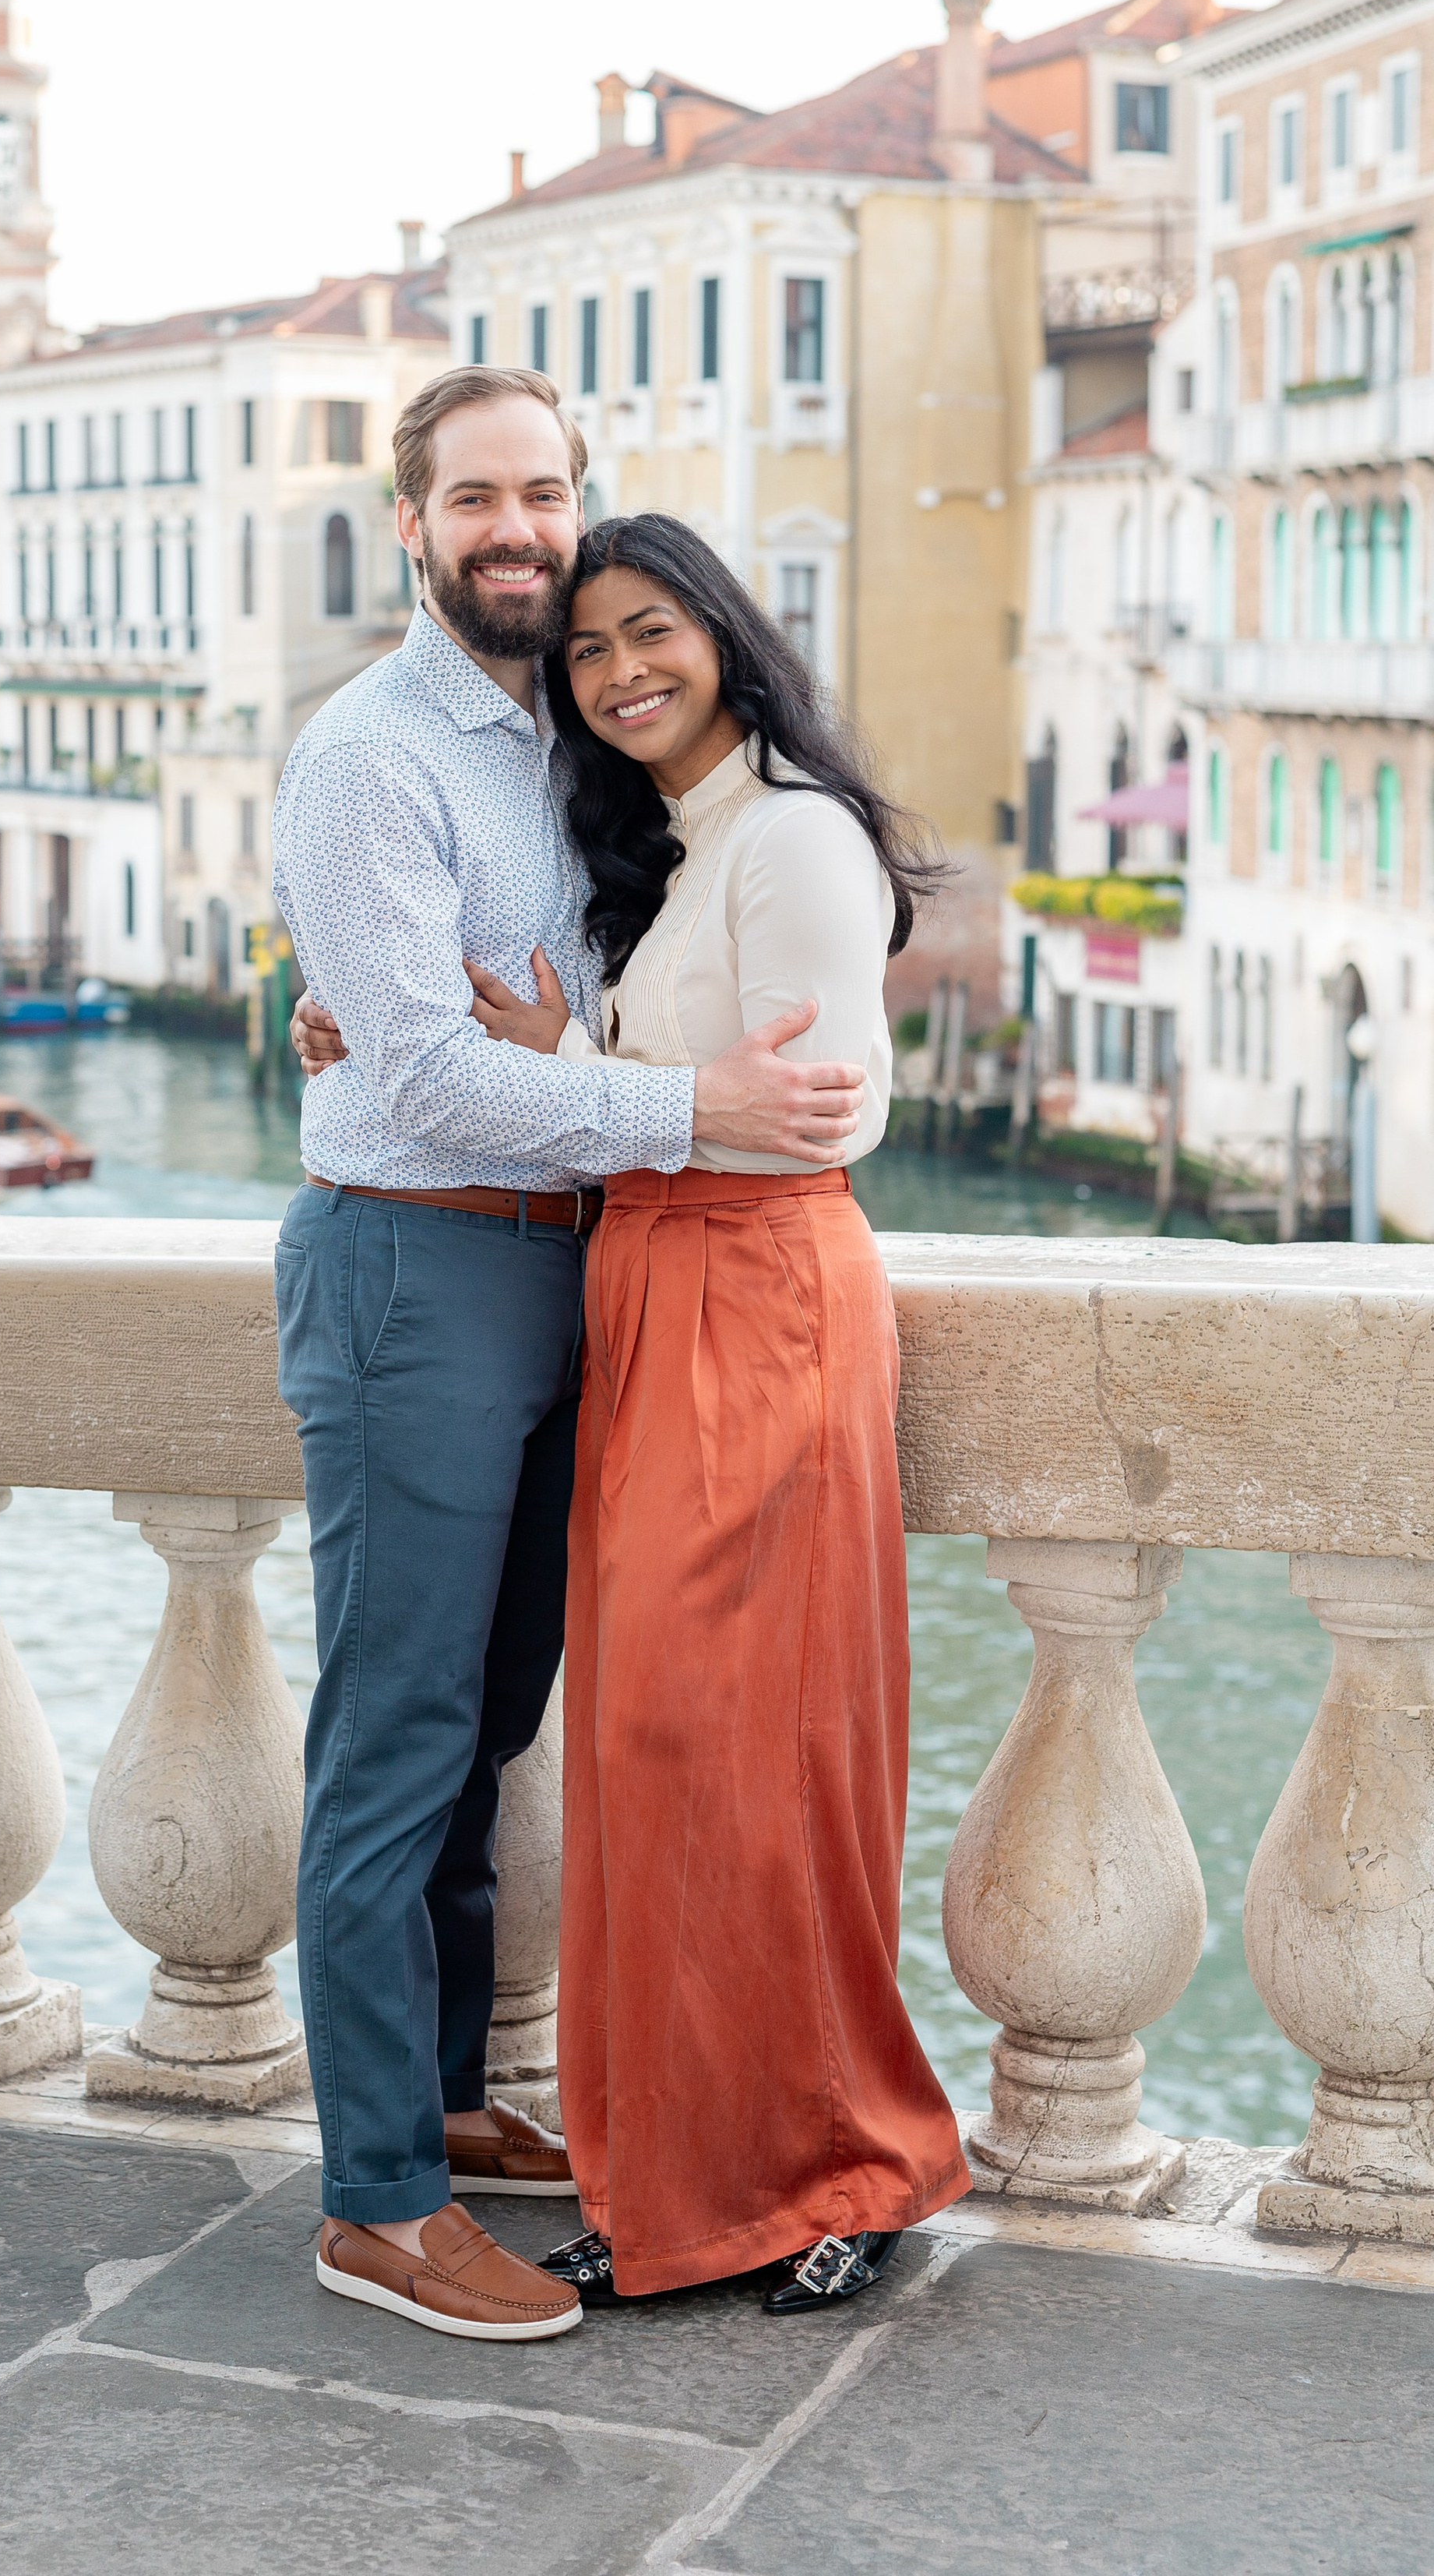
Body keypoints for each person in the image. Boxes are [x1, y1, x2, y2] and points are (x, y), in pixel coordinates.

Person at [271, 369, 867, 2345]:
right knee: (393, 1739)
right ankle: (375, 2199)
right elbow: (428, 1061)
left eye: (544, 494)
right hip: (413, 1273)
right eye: (476, 501)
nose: (517, 531)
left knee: (480, 1727)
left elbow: (531, 1010)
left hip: (562, 1281)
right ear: (412, 521)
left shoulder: (565, 737)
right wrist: (673, 1101)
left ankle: (438, 2101)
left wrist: (574, 1074)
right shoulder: (368, 753)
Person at [461, 511, 974, 2314]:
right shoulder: (686, 857)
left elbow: (810, 1122)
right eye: (587, 651)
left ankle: (849, 2163)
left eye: (648, 630)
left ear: (724, 637)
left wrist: (571, 1078)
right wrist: (598, 1083)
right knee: (646, 1757)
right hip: (657, 1291)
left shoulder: (799, 838)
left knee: (752, 1754)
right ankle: (678, 2174)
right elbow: (708, 1099)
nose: (617, 673)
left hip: (755, 1292)